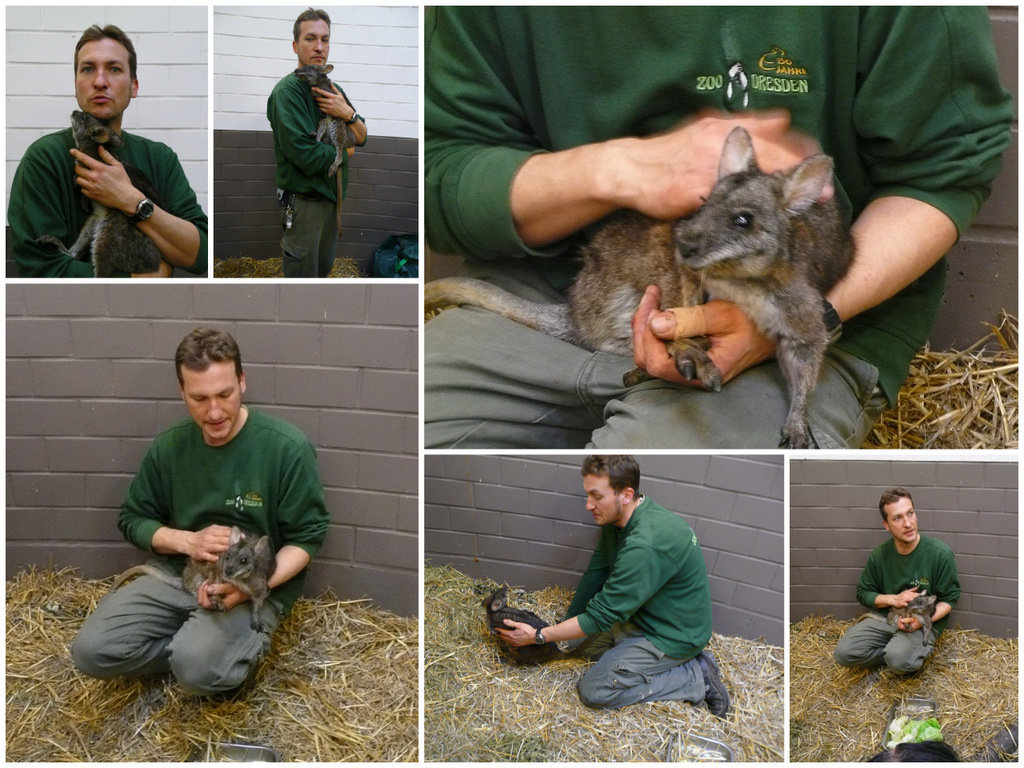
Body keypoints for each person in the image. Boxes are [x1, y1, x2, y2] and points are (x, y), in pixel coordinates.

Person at [423, 7, 1014, 448]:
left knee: (684, 473)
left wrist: (802, 312)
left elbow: (945, 168)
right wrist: (619, 169)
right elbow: (442, 168)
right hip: (572, 290)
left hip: (813, 313)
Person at [71, 327, 329, 695]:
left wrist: (251, 588)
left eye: (224, 394)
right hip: (183, 575)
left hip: (253, 586)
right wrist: (186, 541)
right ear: (182, 393)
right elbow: (132, 520)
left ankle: (211, 657)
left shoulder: (286, 448)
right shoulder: (170, 446)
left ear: (242, 382)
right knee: (91, 653)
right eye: (199, 398)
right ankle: (196, 653)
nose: (214, 412)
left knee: (197, 670)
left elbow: (308, 537)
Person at [495, 455, 729, 716]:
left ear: (626, 495)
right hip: (641, 616)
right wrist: (564, 627)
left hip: (671, 635)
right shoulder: (617, 520)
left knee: (595, 691)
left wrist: (539, 635)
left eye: (597, 496)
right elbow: (597, 571)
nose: (588, 505)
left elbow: (602, 615)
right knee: (574, 646)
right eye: (588, 495)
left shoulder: (645, 545)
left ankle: (696, 676)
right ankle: (636, 654)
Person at [8, 24, 207, 277]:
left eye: (114, 69)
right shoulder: (44, 158)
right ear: (76, 84)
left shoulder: (160, 158)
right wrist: (137, 279)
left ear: (134, 87)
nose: (100, 82)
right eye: (88, 69)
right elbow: (40, 270)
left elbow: (200, 254)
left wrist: (131, 201)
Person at [267, 8, 368, 278]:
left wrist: (348, 114)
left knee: (322, 273)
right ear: (295, 45)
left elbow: (362, 136)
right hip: (304, 204)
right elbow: (305, 155)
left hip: (332, 201)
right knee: (302, 277)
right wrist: (344, 153)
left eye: (325, 39)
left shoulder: (334, 91)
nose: (319, 47)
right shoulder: (286, 93)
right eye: (310, 38)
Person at [833, 488, 961, 674]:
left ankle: (902, 653)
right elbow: (863, 593)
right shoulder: (879, 555)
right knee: (843, 654)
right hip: (887, 617)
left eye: (910, 513)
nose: (908, 523)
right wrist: (892, 599)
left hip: (920, 623)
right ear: (886, 525)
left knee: (900, 663)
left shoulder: (940, 554)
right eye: (897, 518)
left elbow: (950, 599)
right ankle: (894, 651)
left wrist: (922, 621)